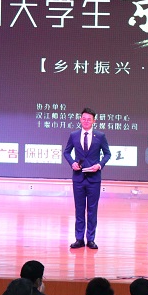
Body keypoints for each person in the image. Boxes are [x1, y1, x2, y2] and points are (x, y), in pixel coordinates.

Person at [63, 107, 111, 250]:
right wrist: (72, 163)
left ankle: (91, 239)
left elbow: (107, 154)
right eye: (83, 119)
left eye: (89, 119)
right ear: (80, 119)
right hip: (78, 178)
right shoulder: (74, 135)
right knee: (79, 209)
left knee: (92, 210)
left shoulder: (100, 136)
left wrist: (99, 165)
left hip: (94, 178)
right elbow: (66, 152)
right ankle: (79, 239)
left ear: (94, 121)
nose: (86, 121)